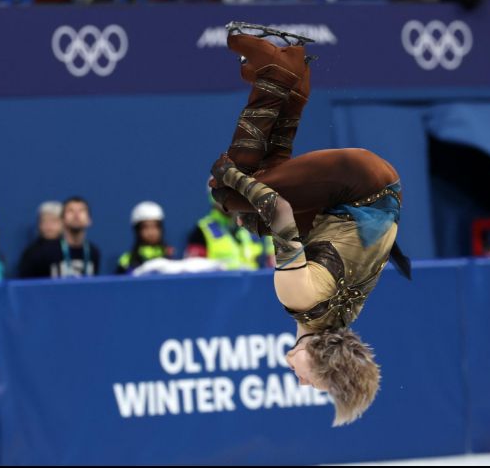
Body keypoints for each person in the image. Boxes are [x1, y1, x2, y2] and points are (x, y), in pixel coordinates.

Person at [209, 22, 410, 426]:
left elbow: (293, 225)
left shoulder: (337, 318)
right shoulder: (299, 297)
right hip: (359, 183)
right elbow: (280, 209)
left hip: (377, 192)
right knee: (229, 196)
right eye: (316, 384)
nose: (303, 385)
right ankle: (275, 74)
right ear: (320, 361)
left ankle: (295, 74)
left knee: (255, 206)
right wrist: (229, 176)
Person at [186, 191, 274, 270]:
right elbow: (195, 271)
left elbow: (265, 263)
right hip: (220, 285)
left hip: (252, 284)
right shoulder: (201, 231)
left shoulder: (250, 228)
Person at [18, 196, 101, 278]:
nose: (76, 215)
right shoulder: (43, 252)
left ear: (89, 220)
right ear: (62, 220)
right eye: (70, 211)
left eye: (82, 211)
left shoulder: (93, 252)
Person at [117, 201, 175, 274]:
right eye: (145, 227)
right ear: (137, 230)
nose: (151, 232)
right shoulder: (127, 260)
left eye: (155, 227)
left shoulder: (169, 255)